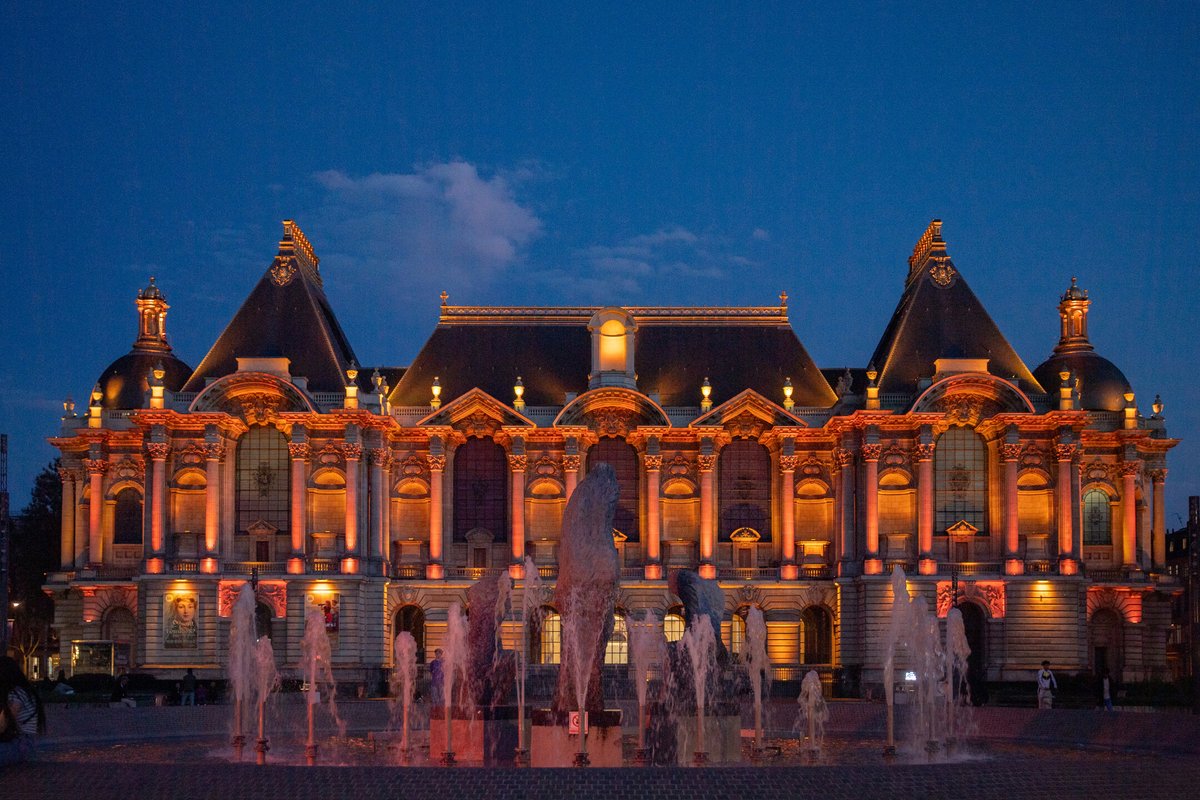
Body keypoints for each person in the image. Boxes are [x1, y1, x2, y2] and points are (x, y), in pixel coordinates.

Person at [0, 656, 46, 765]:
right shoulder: (22, 692)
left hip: (21, 744)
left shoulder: (17, 694)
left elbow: (2, 725)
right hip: (24, 743)